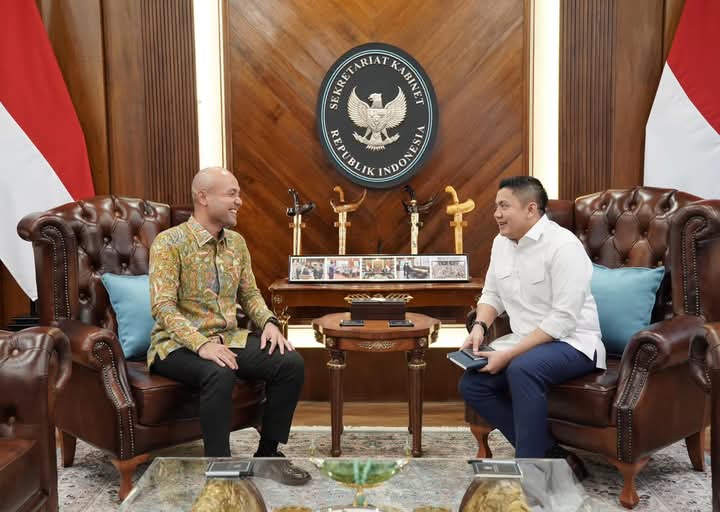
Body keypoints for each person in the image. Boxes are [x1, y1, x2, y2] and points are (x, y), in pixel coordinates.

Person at [148, 167, 309, 484]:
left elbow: (249, 293)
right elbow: (162, 306)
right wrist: (202, 345)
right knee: (218, 371)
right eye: (232, 194)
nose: (240, 202)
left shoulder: (236, 243)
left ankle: (267, 456)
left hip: (228, 338)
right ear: (203, 197)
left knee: (290, 363)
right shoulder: (169, 243)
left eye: (239, 194)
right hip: (175, 346)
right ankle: (219, 471)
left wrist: (269, 323)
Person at [458, 176, 606, 480]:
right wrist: (480, 327)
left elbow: (562, 319)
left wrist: (508, 355)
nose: (496, 214)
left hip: (574, 343)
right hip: (524, 341)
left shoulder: (564, 246)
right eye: (496, 207)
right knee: (472, 384)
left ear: (530, 209)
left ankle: (531, 475)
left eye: (504, 206)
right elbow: (492, 295)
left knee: (522, 369)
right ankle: (551, 454)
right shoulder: (500, 243)